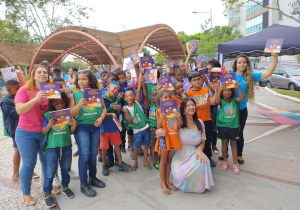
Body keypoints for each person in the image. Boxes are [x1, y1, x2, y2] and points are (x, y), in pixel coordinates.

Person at [212, 52, 278, 164]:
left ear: (247, 64)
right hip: (226, 109)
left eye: (244, 62)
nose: (242, 64)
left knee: (238, 132)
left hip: (241, 110)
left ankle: (239, 154)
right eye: (239, 62)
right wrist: (224, 69)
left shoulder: (250, 76)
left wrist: (275, 57)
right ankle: (225, 153)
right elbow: (212, 70)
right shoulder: (230, 73)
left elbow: (268, 72)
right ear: (236, 64)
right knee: (226, 132)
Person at [157, 97, 214, 193]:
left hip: (194, 152)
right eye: (188, 106)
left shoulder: (200, 123)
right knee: (182, 175)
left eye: (193, 105)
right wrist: (158, 132)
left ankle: (198, 185)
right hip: (180, 154)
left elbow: (203, 141)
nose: (191, 107)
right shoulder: (178, 121)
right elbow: (166, 129)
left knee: (204, 161)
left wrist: (200, 151)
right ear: (183, 109)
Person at [15, 65, 50, 206]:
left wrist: (64, 95)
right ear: (34, 76)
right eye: (39, 72)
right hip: (26, 133)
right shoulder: (24, 90)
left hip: (44, 131)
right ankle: (26, 193)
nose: (42, 74)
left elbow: (54, 108)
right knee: (29, 164)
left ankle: (47, 187)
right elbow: (19, 110)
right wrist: (36, 98)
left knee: (47, 161)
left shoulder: (50, 90)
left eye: (45, 72)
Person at [69, 70, 107, 197]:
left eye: (84, 79)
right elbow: (71, 114)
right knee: (84, 154)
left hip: (95, 127)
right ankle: (83, 184)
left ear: (90, 80)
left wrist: (101, 119)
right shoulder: (74, 94)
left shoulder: (96, 93)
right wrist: (79, 105)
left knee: (93, 154)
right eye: (79, 79)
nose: (81, 81)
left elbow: (104, 108)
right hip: (81, 128)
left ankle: (93, 177)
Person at [42, 93, 77, 208]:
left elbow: (70, 132)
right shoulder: (47, 115)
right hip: (52, 146)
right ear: (52, 103)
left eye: (62, 102)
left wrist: (74, 124)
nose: (60, 105)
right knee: (50, 171)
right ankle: (47, 193)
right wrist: (50, 124)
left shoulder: (67, 114)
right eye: (57, 103)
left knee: (65, 168)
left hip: (66, 145)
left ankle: (65, 187)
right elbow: (43, 131)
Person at [185, 71, 216, 167]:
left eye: (199, 79)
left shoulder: (206, 90)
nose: (197, 81)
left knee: (207, 140)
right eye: (194, 80)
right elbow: (186, 107)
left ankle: (208, 157)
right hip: (194, 121)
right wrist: (198, 106)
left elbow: (213, 102)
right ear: (190, 82)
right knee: (196, 140)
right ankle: (195, 157)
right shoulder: (188, 93)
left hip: (207, 119)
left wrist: (217, 91)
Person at [100, 82, 131, 176]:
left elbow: (118, 112)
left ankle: (120, 163)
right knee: (104, 147)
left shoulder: (117, 98)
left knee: (117, 144)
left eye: (117, 89)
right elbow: (99, 113)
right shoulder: (101, 98)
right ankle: (104, 164)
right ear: (108, 87)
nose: (116, 91)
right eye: (114, 88)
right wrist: (111, 114)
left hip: (114, 126)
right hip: (104, 127)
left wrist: (117, 109)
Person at [155, 89, 182, 195]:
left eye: (170, 97)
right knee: (163, 161)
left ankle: (167, 180)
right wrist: (162, 118)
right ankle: (162, 182)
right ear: (161, 99)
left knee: (169, 160)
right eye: (165, 97)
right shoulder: (158, 111)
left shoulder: (176, 111)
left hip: (174, 138)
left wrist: (179, 118)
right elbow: (158, 126)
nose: (168, 99)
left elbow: (178, 126)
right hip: (164, 139)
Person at [123, 74, 151, 171]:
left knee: (146, 145)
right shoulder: (125, 108)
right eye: (127, 96)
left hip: (146, 128)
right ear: (125, 99)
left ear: (134, 96)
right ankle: (135, 162)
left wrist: (140, 76)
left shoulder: (137, 103)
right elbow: (130, 121)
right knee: (136, 147)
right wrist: (126, 112)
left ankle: (145, 161)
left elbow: (139, 90)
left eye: (131, 95)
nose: (129, 97)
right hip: (137, 131)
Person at [214, 82, 244, 174]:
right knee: (224, 144)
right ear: (222, 92)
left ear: (232, 92)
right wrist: (219, 90)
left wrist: (238, 88)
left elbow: (242, 98)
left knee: (234, 145)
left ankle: (235, 163)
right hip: (223, 126)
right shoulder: (221, 101)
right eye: (225, 91)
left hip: (233, 126)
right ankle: (225, 161)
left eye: (229, 91)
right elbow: (216, 101)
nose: (227, 92)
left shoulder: (234, 100)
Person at [0, 80, 21, 181]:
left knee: (22, 150)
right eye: (17, 89)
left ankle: (25, 170)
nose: (19, 90)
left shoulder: (16, 99)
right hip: (15, 129)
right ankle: (15, 174)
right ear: (9, 90)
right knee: (18, 150)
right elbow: (17, 113)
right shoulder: (6, 102)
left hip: (20, 128)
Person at [207, 59, 222, 155]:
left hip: (214, 105)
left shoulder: (218, 80)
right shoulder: (202, 78)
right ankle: (207, 146)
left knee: (213, 127)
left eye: (211, 70)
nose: (209, 71)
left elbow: (216, 91)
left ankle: (214, 145)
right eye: (208, 69)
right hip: (205, 106)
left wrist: (208, 84)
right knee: (207, 127)